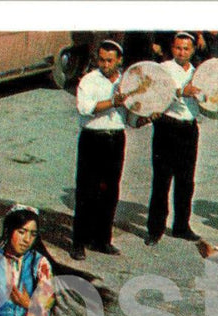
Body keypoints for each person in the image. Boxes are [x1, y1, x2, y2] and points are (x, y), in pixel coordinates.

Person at [71, 40, 135, 261]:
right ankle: (79, 242)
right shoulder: (89, 80)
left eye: (110, 60)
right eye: (101, 60)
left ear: (119, 60)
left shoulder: (129, 82)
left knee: (110, 191)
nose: (105, 64)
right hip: (93, 138)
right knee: (86, 192)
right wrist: (112, 102)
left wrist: (145, 115)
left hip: (116, 139)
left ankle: (102, 240)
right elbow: (84, 108)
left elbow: (132, 117)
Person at [146, 32, 205, 246]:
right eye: (178, 48)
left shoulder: (199, 72)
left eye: (186, 48)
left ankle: (182, 226)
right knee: (162, 180)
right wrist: (181, 91)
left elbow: (205, 101)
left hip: (189, 129)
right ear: (172, 49)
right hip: (167, 127)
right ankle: (155, 229)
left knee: (186, 181)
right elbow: (156, 93)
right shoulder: (164, 69)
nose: (182, 52)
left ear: (193, 50)